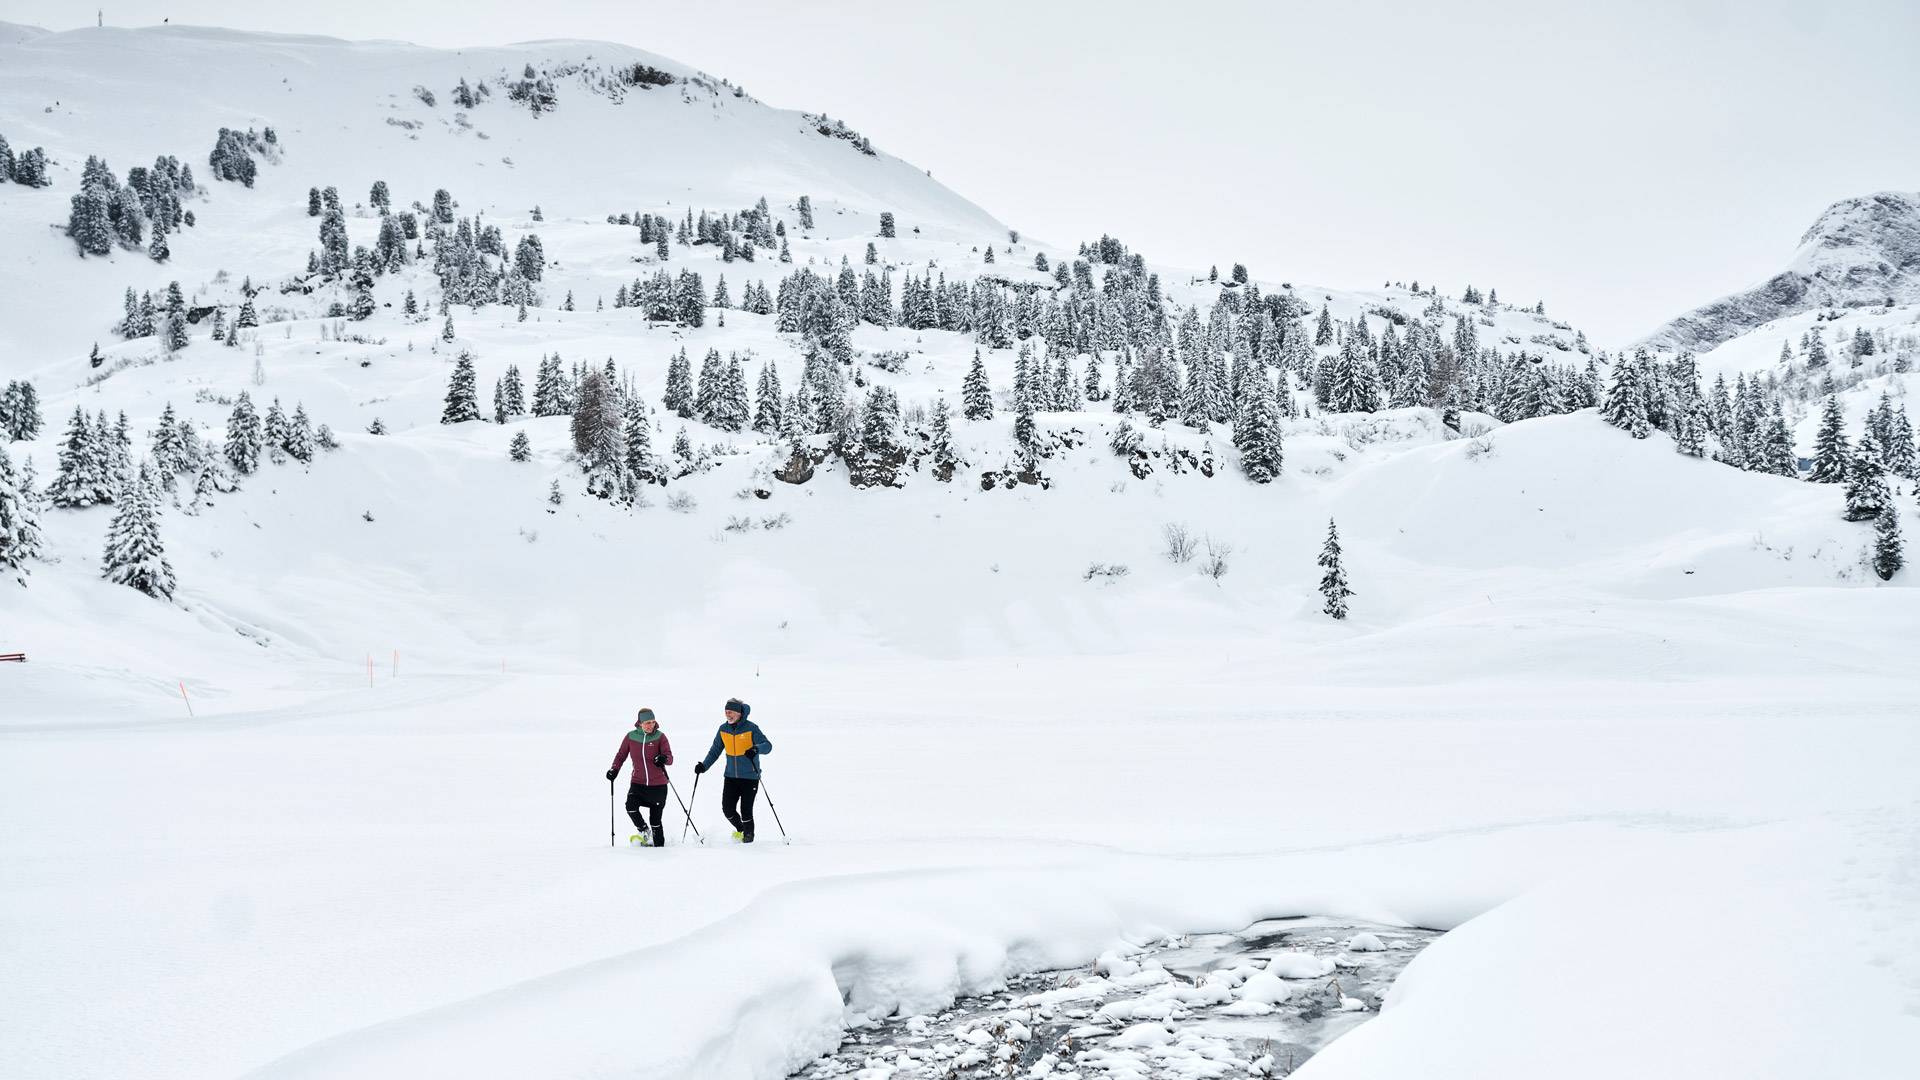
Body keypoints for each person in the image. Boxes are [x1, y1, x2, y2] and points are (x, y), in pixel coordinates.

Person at [694, 698, 771, 843]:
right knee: (727, 809)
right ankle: (741, 829)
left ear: (739, 713)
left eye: (731, 712)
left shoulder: (751, 728)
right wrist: (704, 766)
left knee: (746, 810)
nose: (727, 714)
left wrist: (756, 749)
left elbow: (767, 746)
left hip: (750, 777)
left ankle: (748, 838)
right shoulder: (723, 729)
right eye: (726, 711)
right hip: (731, 777)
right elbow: (715, 751)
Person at [606, 708, 673, 847]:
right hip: (638, 783)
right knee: (630, 807)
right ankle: (644, 831)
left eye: (653, 722)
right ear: (640, 723)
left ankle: (660, 850)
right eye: (647, 722)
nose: (651, 725)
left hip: (658, 786)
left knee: (655, 822)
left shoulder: (660, 737)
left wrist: (663, 758)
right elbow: (621, 755)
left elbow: (669, 758)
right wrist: (614, 769)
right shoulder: (631, 737)